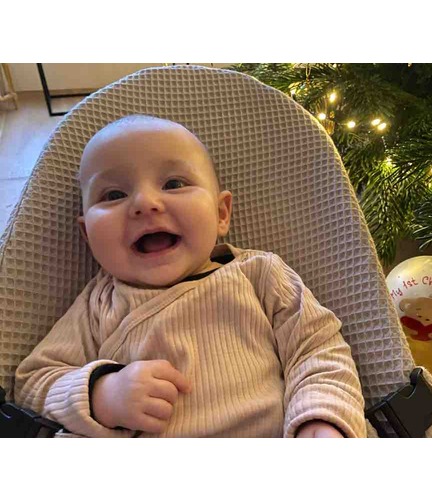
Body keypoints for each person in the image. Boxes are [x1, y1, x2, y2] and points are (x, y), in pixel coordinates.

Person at [14, 115, 367, 438]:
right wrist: (102, 393)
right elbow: (33, 381)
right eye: (114, 194)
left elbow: (318, 348)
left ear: (221, 213)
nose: (145, 202)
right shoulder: (98, 304)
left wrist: (321, 420)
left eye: (173, 183)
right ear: (88, 235)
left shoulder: (260, 275)